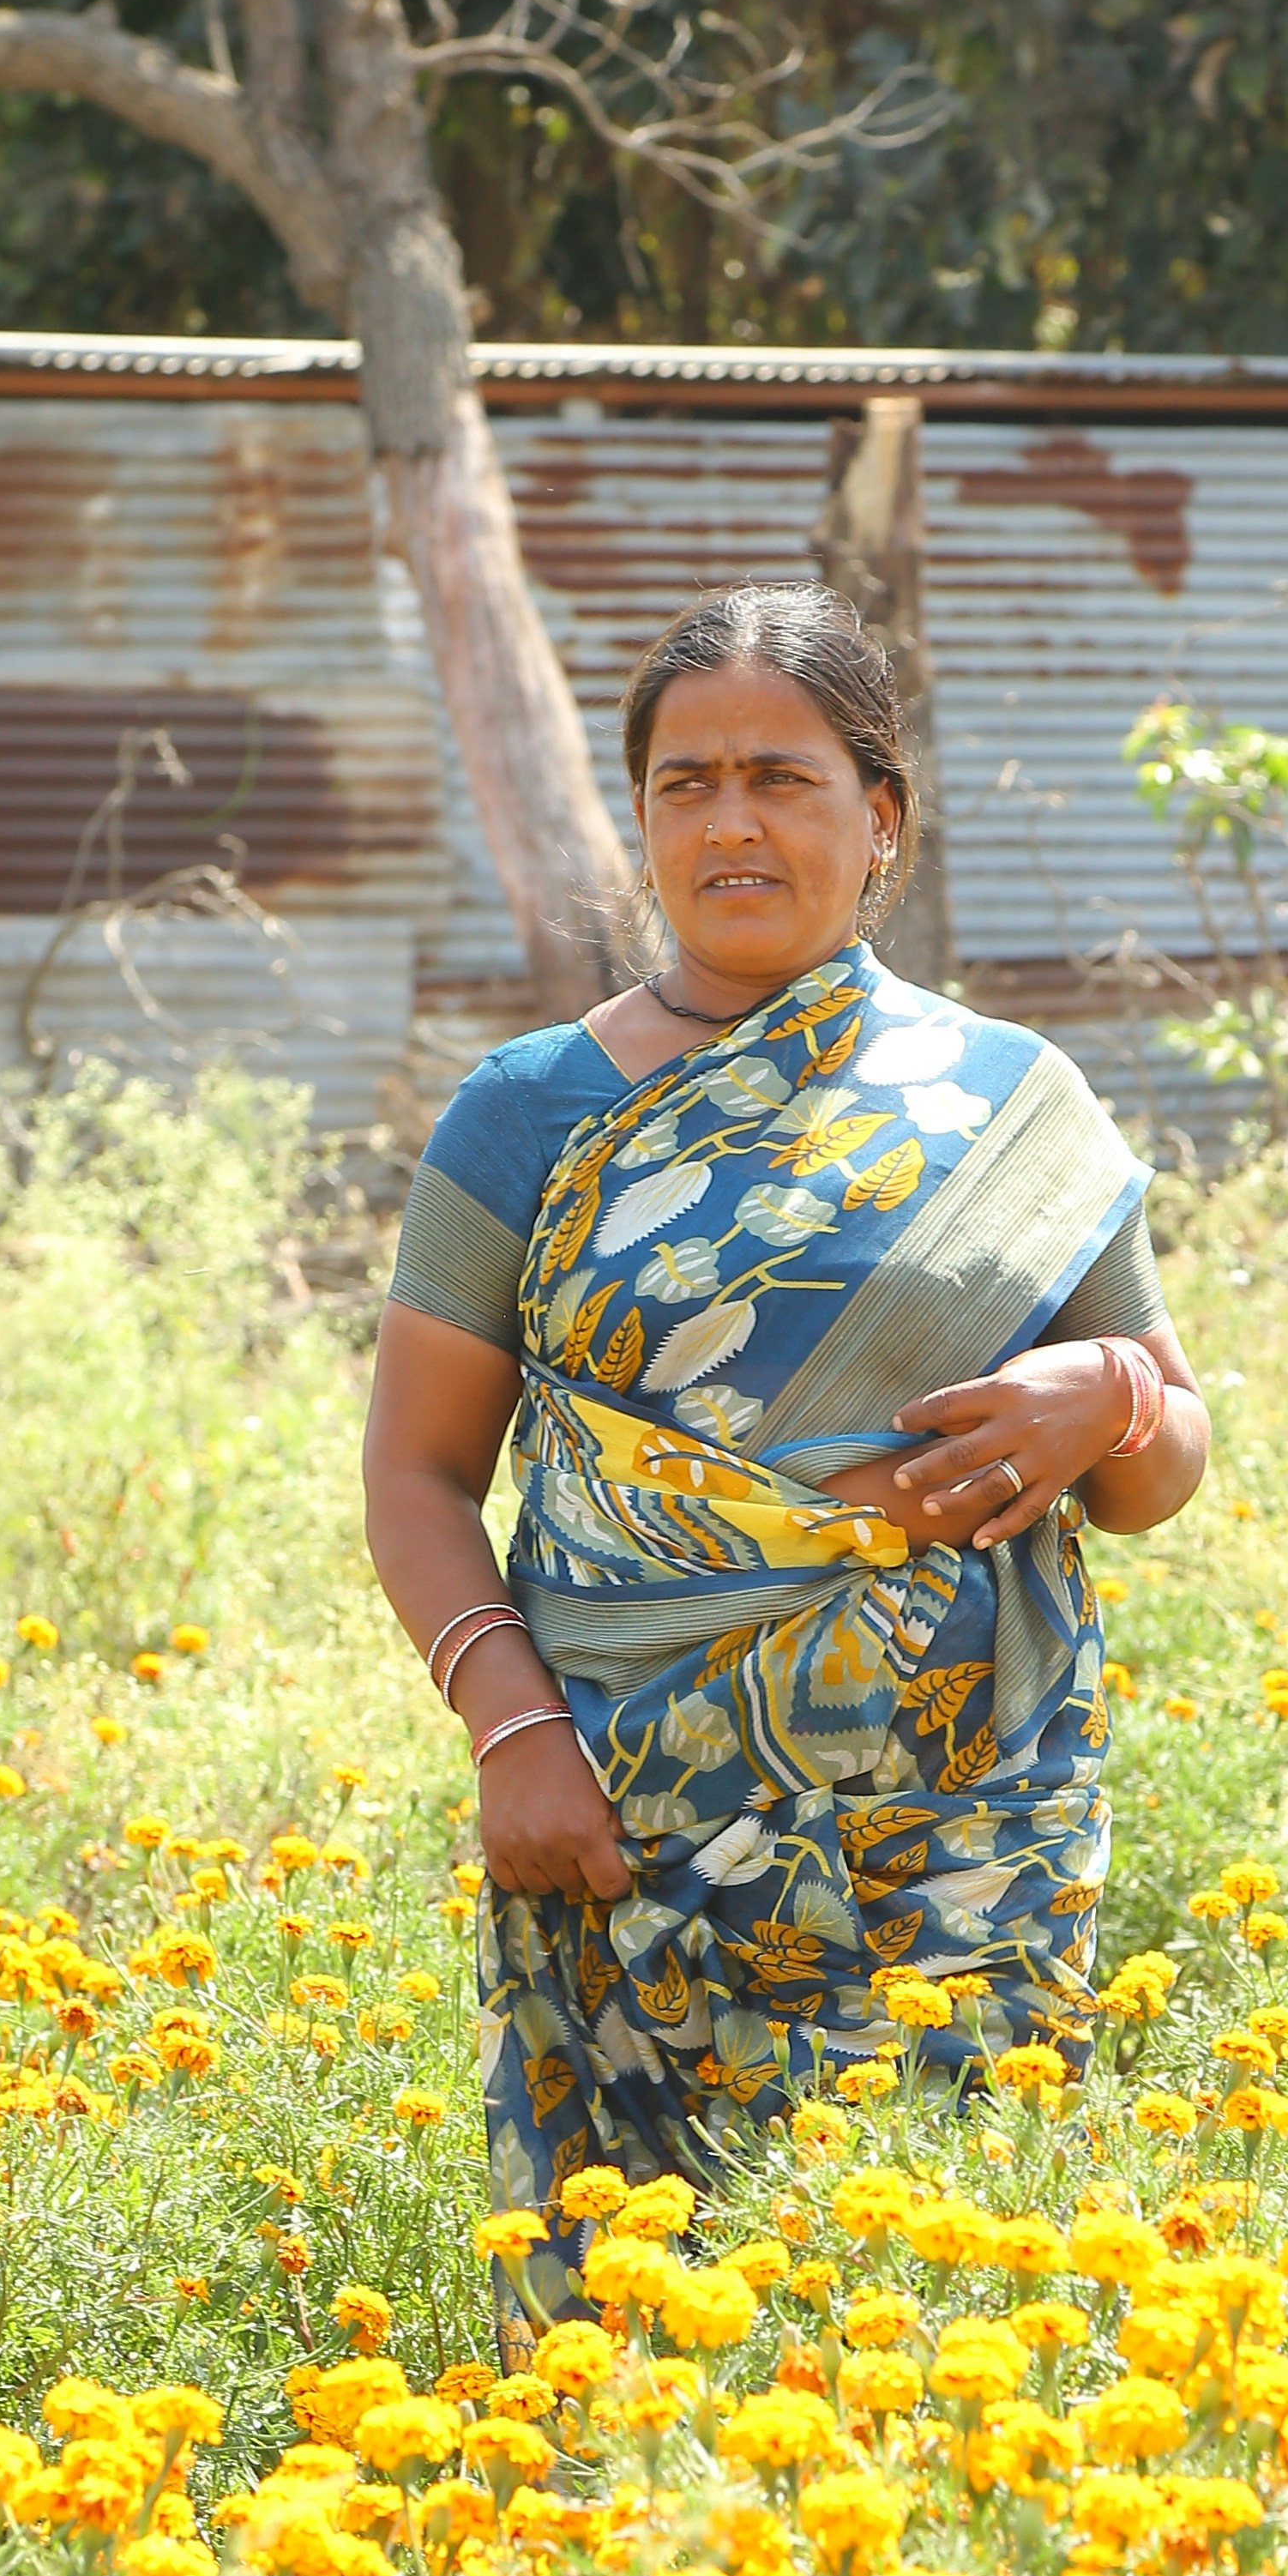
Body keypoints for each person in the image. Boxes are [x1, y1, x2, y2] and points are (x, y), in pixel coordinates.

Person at [362, 579, 1211, 2308]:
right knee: (624, 2309)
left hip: (961, 1825)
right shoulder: (528, 1113)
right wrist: (515, 1736)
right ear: (643, 819)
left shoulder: (1010, 1102)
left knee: (944, 2299)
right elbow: (419, 1473)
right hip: (622, 1809)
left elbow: (1163, 1464)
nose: (730, 821)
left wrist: (1108, 1390)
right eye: (685, 783)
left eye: (782, 777)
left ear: (879, 817)